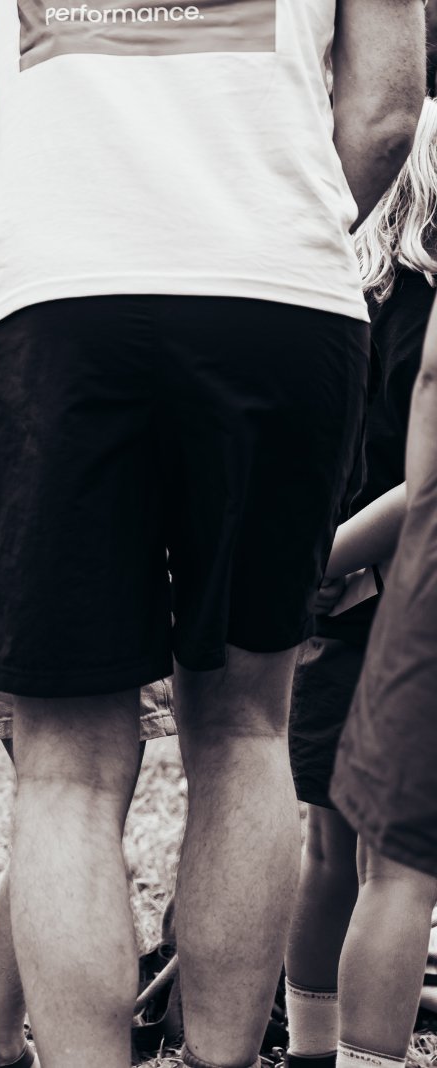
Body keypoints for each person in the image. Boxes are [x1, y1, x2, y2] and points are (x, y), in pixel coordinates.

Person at [0, 2, 424, 1065]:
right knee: (245, 731)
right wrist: (263, 210)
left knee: (64, 768)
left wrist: (76, 202)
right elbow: (384, 112)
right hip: (279, 295)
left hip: (62, 299)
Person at [0, 215, 177, 1068]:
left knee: (53, 808)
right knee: (79, 812)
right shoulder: (60, 293)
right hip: (48, 586)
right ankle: (43, 1038)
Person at [282, 87, 437, 1068]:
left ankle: (311, 1048)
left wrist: (301, 569)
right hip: (382, 600)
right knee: (385, 863)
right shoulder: (411, 306)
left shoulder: (339, 296)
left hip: (338, 604)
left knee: (333, 852)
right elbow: (418, 485)